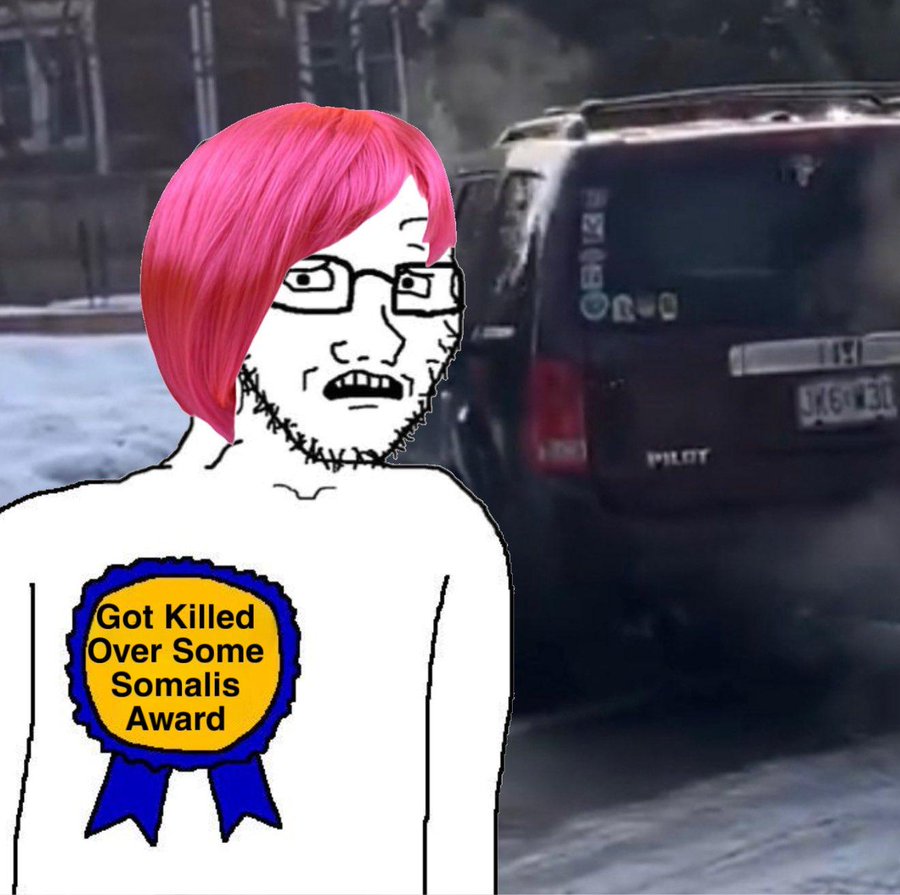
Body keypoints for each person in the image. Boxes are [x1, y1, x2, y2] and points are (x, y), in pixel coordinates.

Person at [0, 103, 512, 895]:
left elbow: (448, 857)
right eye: (314, 282)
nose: (379, 333)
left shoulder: (440, 540)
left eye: (414, 284)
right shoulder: (39, 558)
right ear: (212, 294)